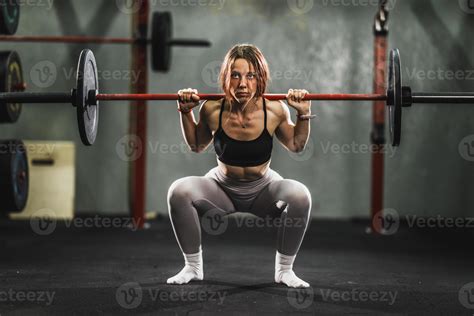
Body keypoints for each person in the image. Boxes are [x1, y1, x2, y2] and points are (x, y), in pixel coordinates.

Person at [167, 44, 315, 288]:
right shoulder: (212, 109)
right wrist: (184, 112)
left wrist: (303, 114)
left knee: (300, 195)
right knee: (178, 191)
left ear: (260, 79)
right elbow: (196, 145)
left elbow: (297, 145)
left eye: (251, 76)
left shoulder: (275, 109)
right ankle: (192, 267)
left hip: (263, 190)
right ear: (226, 77)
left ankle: (284, 271)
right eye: (235, 75)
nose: (243, 84)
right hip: (222, 189)